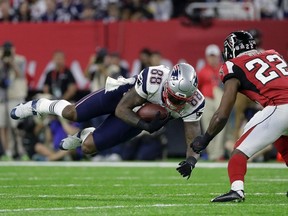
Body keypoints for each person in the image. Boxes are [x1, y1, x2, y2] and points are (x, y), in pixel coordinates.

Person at [11, 63, 205, 176]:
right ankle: (40, 105)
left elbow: (193, 136)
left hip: (137, 116)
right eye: (173, 97)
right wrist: (145, 125)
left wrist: (191, 161)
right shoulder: (153, 79)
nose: (176, 103)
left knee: (88, 147)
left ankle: (84, 135)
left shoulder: (194, 102)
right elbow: (122, 109)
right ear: (168, 85)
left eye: (181, 100)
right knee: (73, 113)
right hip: (122, 97)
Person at [190, 30, 288, 202]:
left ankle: (237, 190)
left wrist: (205, 139)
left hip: (279, 107)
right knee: (283, 142)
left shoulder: (232, 65)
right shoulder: (273, 54)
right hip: (279, 108)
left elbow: (222, 113)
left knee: (239, 152)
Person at [197, 44, 225, 161]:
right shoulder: (203, 71)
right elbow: (197, 87)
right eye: (210, 56)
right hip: (207, 99)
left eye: (214, 56)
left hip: (220, 100)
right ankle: (211, 153)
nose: (213, 58)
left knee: (220, 126)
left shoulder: (223, 69)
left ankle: (218, 154)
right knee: (208, 126)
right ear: (207, 57)